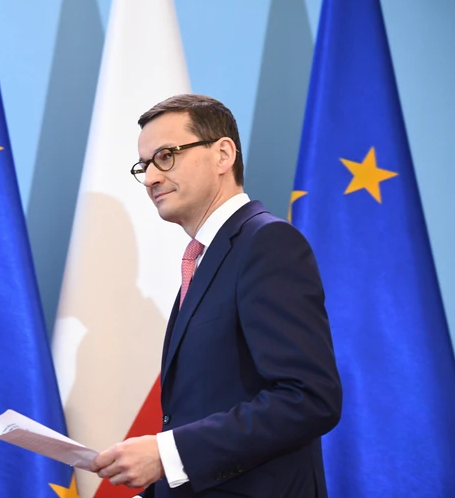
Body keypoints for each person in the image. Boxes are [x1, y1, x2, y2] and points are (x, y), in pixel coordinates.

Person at [89, 94, 343, 497]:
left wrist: (166, 454)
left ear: (223, 154)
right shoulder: (205, 259)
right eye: (144, 165)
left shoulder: (267, 243)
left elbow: (309, 398)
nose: (151, 178)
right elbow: (202, 411)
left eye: (166, 156)